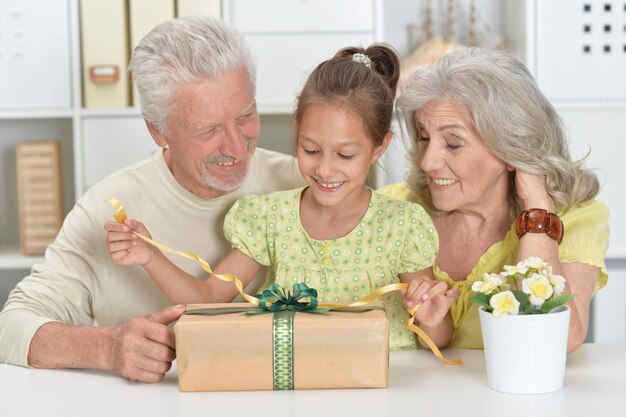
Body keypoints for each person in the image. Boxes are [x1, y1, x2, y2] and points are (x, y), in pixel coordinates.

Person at [0, 16, 304, 382]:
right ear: (157, 130)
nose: (237, 147)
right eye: (208, 129)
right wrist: (107, 347)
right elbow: (10, 329)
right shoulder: (108, 209)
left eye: (246, 115)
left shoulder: (304, 184)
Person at [106, 44, 460, 351]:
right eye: (310, 149)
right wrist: (149, 256)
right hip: (293, 382)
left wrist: (430, 316)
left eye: (345, 155)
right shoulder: (270, 218)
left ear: (379, 147)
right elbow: (208, 299)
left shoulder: (402, 225)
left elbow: (437, 340)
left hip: (384, 385)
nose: (325, 169)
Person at [379, 47, 609, 352]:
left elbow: (558, 339)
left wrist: (538, 209)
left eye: (453, 143)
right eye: (424, 137)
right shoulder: (392, 210)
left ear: (511, 148)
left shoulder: (576, 218)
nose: (428, 161)